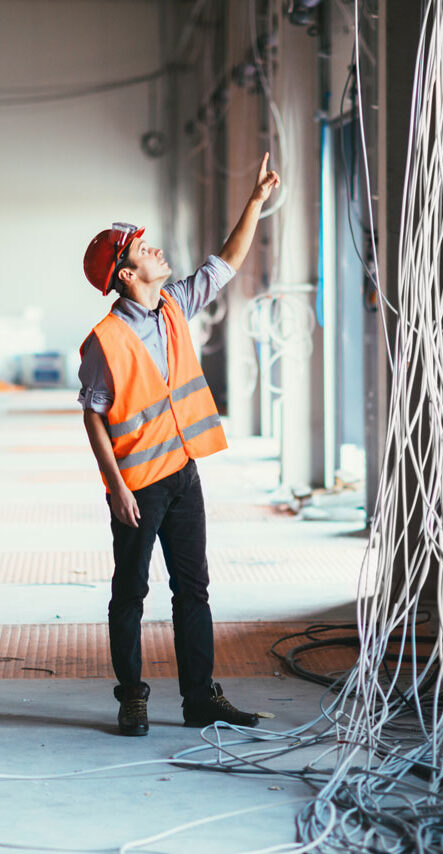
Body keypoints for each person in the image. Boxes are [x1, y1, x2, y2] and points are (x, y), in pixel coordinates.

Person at [79, 153, 280, 735]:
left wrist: (255, 202)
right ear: (124, 272)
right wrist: (115, 486)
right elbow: (92, 417)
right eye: (143, 249)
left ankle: (199, 699)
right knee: (130, 595)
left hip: (184, 475)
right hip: (138, 488)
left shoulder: (173, 308)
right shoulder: (105, 340)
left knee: (193, 589)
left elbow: (227, 261)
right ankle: (132, 698)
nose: (156, 250)